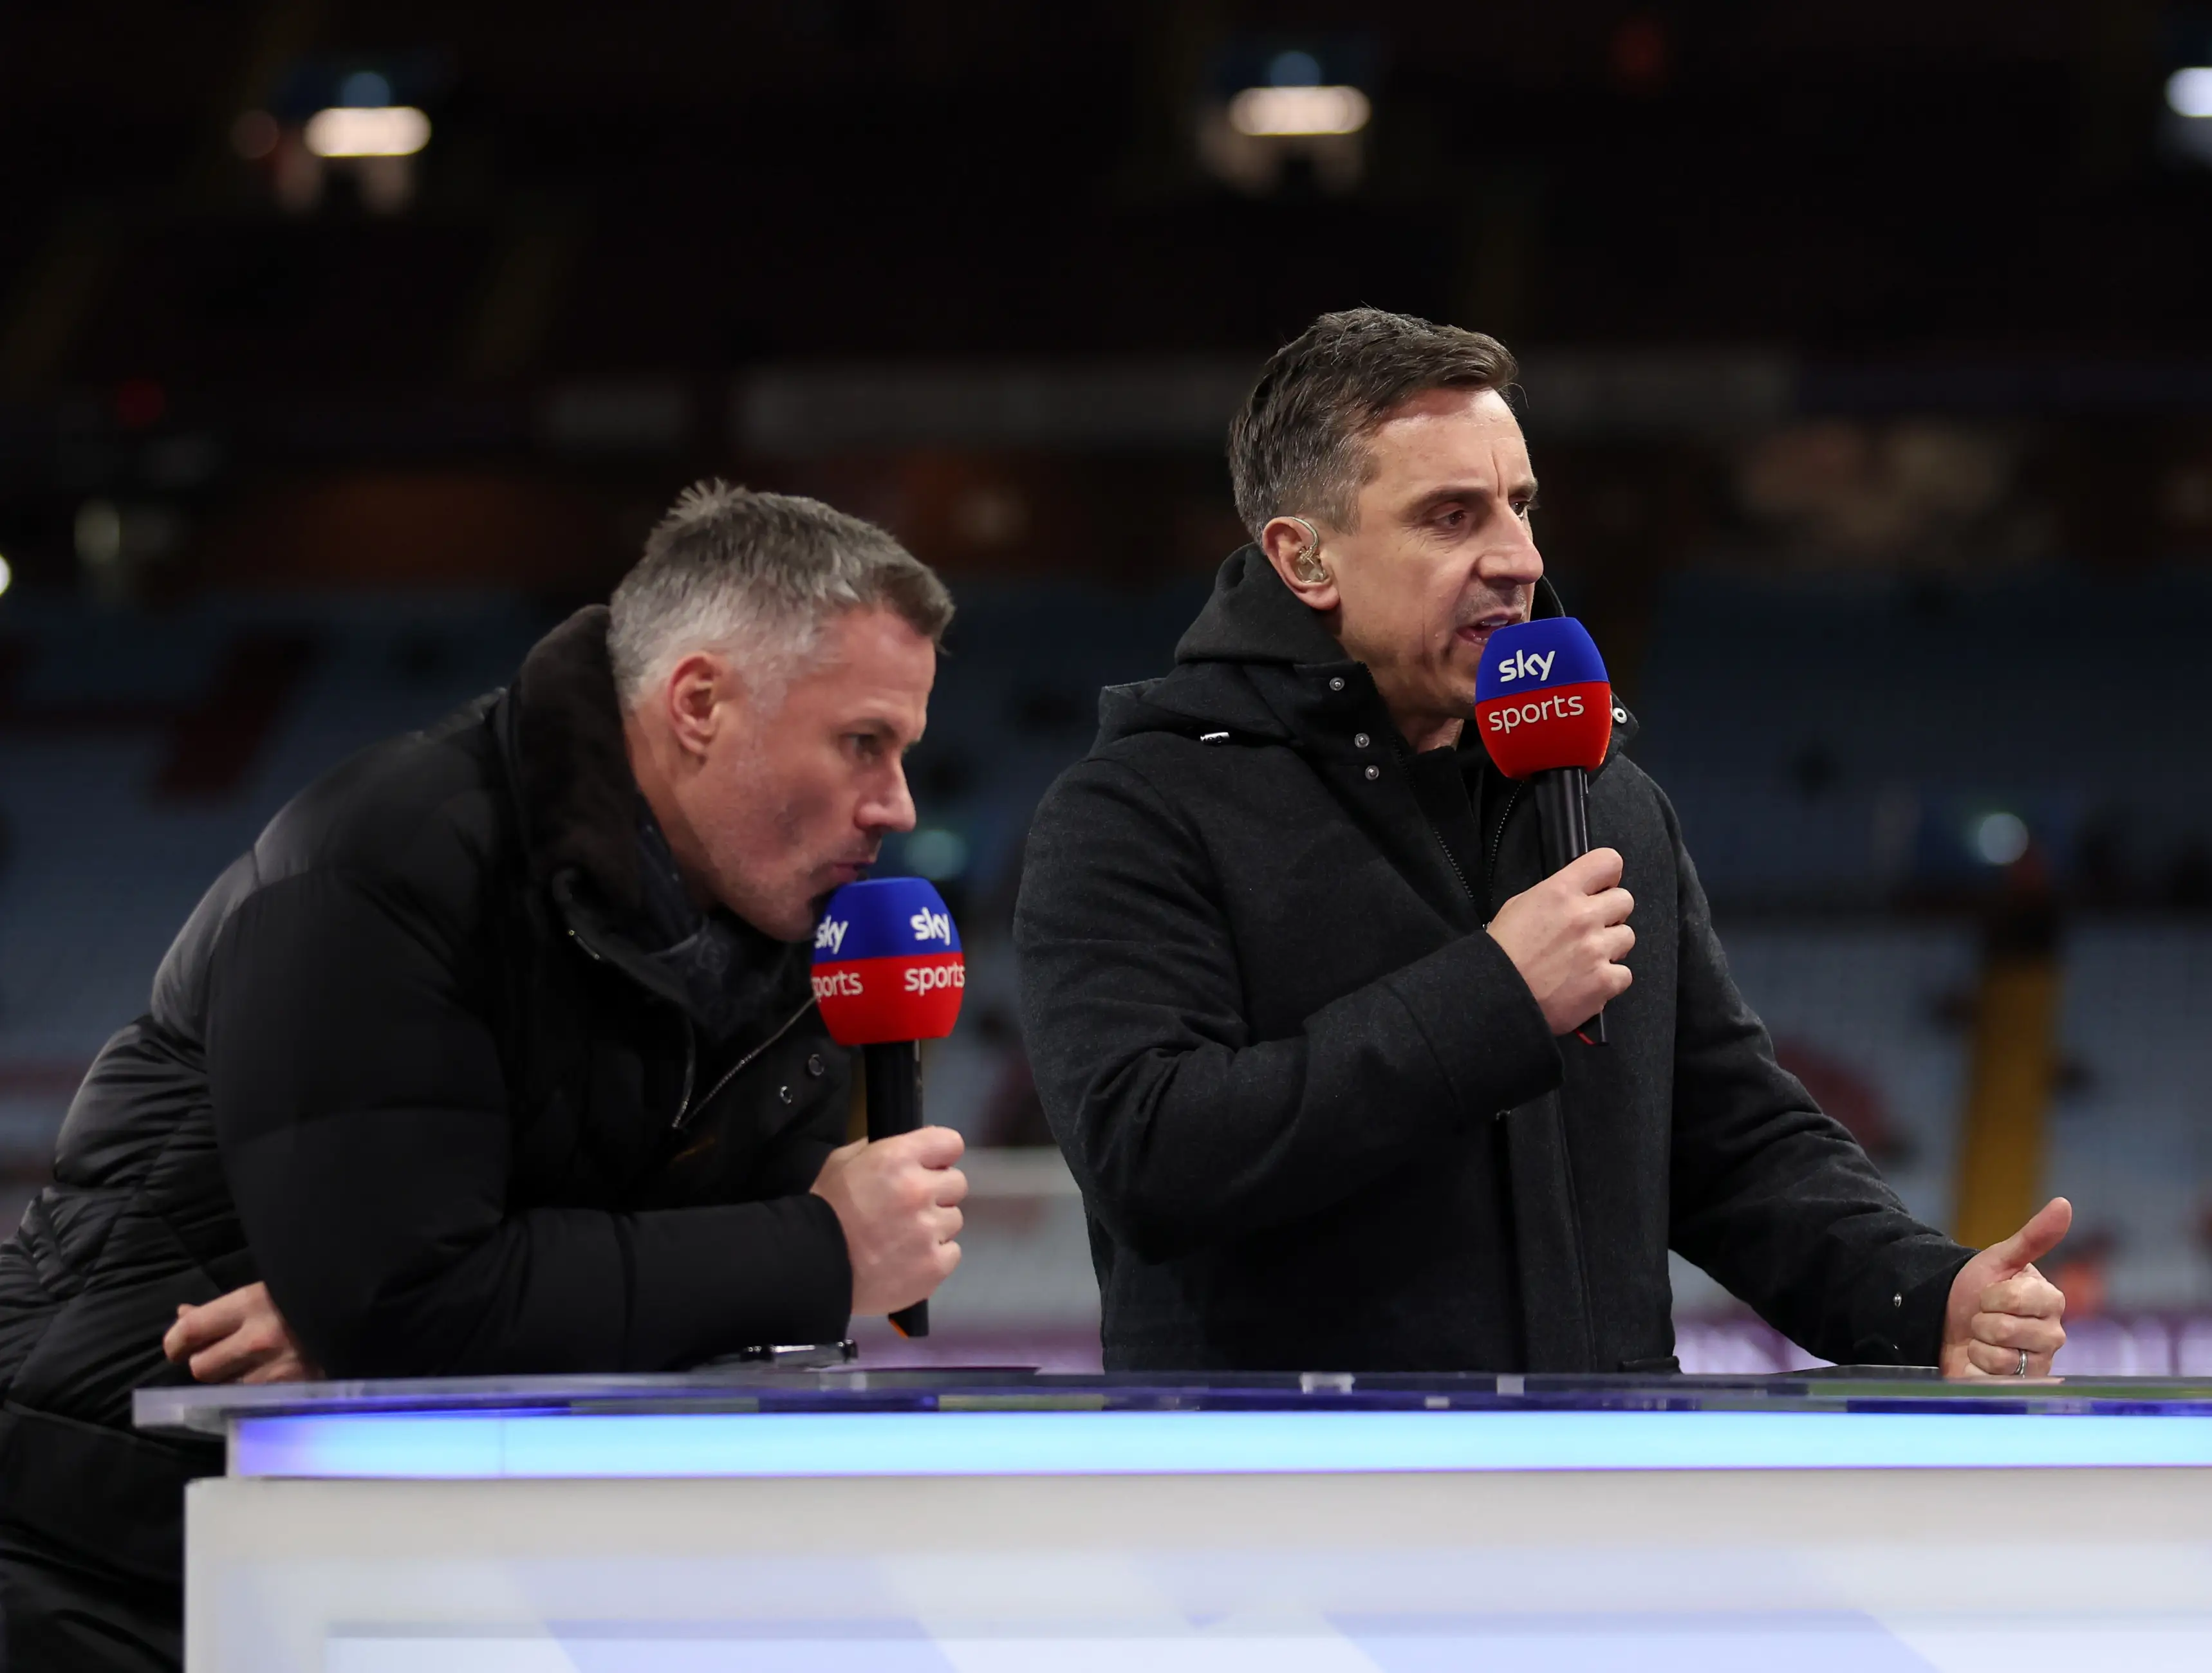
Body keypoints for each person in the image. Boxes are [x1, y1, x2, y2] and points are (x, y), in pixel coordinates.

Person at [0, 483, 971, 1670]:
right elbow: (418, 1302)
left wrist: (431, 1324)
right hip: (104, 1552)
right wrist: (823, 1250)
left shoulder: (792, 938)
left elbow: (621, 1317)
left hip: (387, 1557)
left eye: (905, 751)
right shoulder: (393, 858)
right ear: (701, 703)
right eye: (862, 742)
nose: (900, 806)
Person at [1014, 309, 2070, 1376]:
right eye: (1451, 516)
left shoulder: (1606, 800)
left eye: (1519, 506)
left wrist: (1923, 1295)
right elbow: (1150, 1154)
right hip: (1290, 1507)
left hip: (1596, 1494)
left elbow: (1729, 1144)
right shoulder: (1137, 811)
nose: (1518, 557)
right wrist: (1492, 1000)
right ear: (1306, 557)